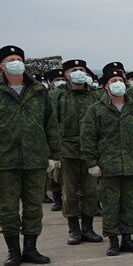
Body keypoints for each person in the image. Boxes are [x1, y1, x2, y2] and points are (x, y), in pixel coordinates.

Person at [0, 44, 60, 266]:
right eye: (11, 59)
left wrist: (53, 155)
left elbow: (50, 124)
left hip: (35, 158)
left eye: (19, 58)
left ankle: (30, 249)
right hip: (5, 160)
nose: (16, 62)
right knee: (9, 208)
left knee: (33, 206)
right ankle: (13, 251)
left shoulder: (39, 91)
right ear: (2, 65)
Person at [79, 65, 133, 255]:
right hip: (108, 167)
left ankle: (127, 238)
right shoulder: (95, 111)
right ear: (106, 86)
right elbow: (87, 139)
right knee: (111, 205)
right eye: (113, 81)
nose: (118, 83)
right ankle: (113, 240)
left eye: (120, 80)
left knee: (129, 204)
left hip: (132, 165)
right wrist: (92, 163)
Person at [52, 59, 104, 245]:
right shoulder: (57, 96)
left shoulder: (95, 96)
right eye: (74, 70)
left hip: (91, 152)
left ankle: (88, 229)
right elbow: (51, 124)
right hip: (67, 151)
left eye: (81, 69)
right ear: (66, 74)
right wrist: (54, 153)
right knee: (70, 192)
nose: (79, 72)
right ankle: (74, 229)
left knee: (91, 191)